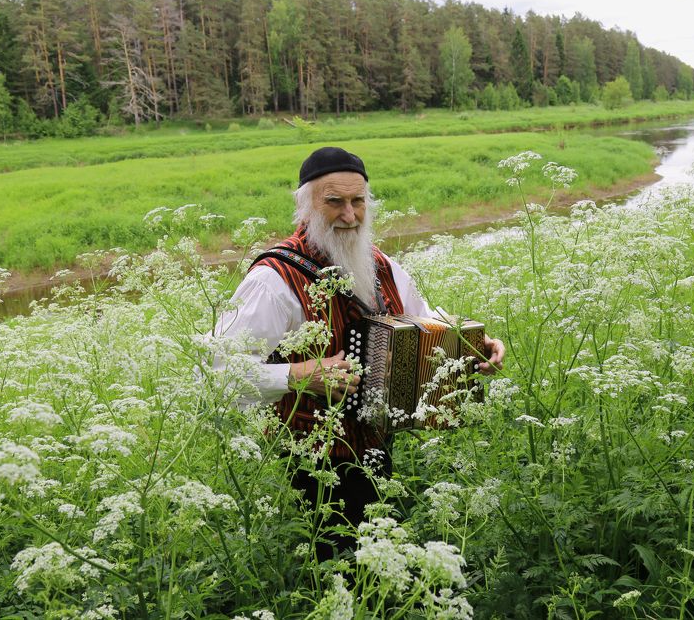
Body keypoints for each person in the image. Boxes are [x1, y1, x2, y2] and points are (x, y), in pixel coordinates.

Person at [213, 146, 505, 558]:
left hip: (377, 448)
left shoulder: (380, 264)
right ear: (306, 206)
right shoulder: (273, 279)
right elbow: (218, 374)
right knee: (332, 568)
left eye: (358, 201)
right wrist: (300, 376)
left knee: (375, 562)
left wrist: (472, 344)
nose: (350, 216)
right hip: (308, 464)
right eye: (334, 202)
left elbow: (423, 321)